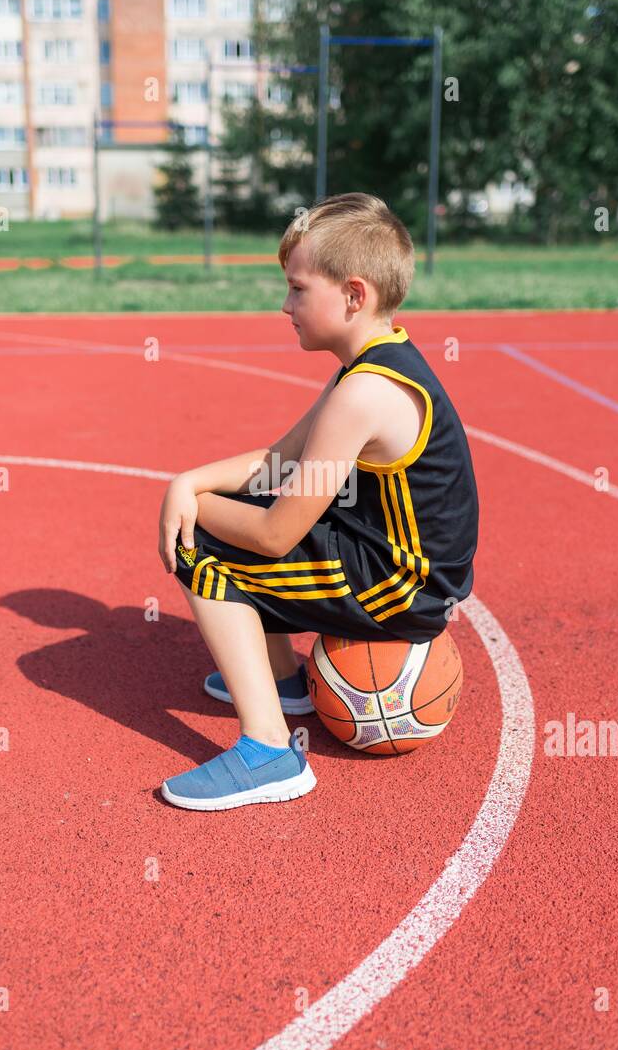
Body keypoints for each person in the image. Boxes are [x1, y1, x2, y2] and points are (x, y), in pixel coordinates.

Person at [158, 192, 479, 810]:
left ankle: (270, 752)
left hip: (401, 586)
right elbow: (278, 460)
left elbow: (277, 534)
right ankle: (282, 683)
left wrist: (189, 508)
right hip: (395, 560)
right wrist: (190, 480)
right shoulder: (372, 364)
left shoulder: (365, 392)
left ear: (354, 295)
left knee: (200, 542)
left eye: (298, 289)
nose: (285, 305)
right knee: (233, 512)